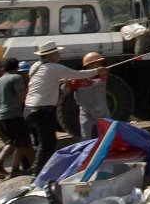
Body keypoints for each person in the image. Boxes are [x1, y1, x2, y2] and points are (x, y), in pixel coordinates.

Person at [24, 42, 100, 174]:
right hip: (42, 110)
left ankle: (37, 167)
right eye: (57, 53)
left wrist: (58, 81)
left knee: (38, 141)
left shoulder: (35, 66)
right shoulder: (54, 67)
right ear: (50, 55)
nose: (59, 55)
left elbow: (41, 81)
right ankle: (37, 172)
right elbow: (78, 74)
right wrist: (97, 71)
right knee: (48, 143)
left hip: (29, 109)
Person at [0, 58, 33, 179]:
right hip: (13, 115)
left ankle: (17, 168)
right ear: (17, 67)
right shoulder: (16, 78)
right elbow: (23, 97)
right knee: (14, 142)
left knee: (23, 143)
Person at [65, 52, 110, 139]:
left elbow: (99, 80)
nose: (100, 65)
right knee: (86, 136)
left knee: (106, 135)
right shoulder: (78, 78)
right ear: (90, 65)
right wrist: (67, 83)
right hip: (86, 112)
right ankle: (86, 151)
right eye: (98, 63)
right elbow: (66, 90)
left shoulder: (102, 75)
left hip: (102, 111)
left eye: (100, 63)